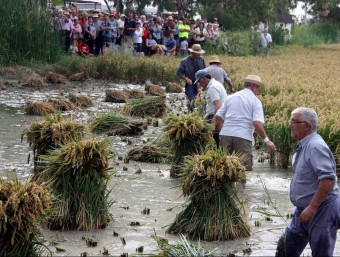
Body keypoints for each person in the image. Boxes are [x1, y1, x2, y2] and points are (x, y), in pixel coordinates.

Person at [275, 107, 340, 257]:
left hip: (322, 209)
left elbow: (328, 179)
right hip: (303, 209)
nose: (290, 125)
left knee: (321, 253)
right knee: (285, 248)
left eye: (294, 121)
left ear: (307, 126)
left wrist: (312, 207)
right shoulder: (305, 144)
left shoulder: (315, 146)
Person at [215, 75, 276, 170]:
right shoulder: (256, 101)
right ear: (253, 86)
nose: (258, 91)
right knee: (243, 169)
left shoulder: (230, 97)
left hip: (225, 134)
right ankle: (241, 185)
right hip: (243, 137)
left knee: (222, 168)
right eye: (258, 88)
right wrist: (267, 141)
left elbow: (218, 116)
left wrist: (221, 130)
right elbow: (256, 123)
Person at [194, 69, 227, 147]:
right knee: (219, 140)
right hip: (220, 116)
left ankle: (220, 156)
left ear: (204, 79)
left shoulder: (213, 87)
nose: (200, 84)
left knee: (218, 139)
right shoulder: (216, 84)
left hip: (217, 116)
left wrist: (213, 122)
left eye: (200, 81)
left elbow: (218, 105)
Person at [177, 44, 206, 113]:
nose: (199, 55)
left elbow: (204, 71)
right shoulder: (184, 61)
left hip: (200, 82)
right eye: (197, 54)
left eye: (199, 54)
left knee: (201, 100)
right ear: (192, 53)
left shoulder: (201, 60)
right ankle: (191, 113)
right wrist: (186, 78)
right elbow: (179, 73)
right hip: (190, 82)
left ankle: (201, 114)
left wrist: (202, 83)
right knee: (190, 99)